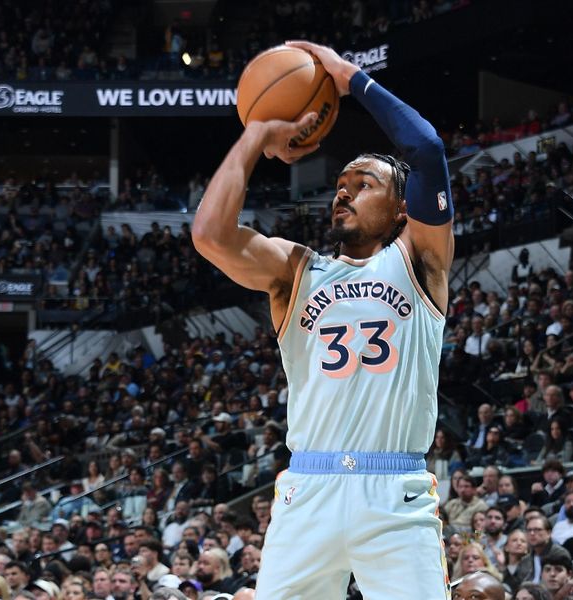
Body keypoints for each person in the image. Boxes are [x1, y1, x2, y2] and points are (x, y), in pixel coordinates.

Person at [193, 39, 455, 599]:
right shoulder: (295, 269)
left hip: (395, 491)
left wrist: (347, 77)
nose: (344, 193)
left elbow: (427, 149)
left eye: (364, 185)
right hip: (307, 488)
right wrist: (257, 135)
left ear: (402, 209)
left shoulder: (418, 259)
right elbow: (209, 235)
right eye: (340, 187)